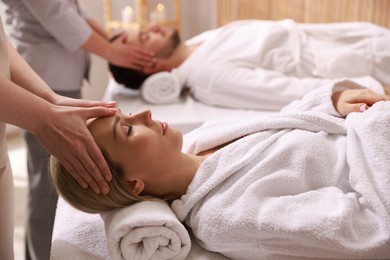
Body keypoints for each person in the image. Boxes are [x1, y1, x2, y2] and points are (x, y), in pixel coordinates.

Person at [51, 79, 390, 259]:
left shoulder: (204, 140)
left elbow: (287, 120)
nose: (145, 115)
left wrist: (335, 101)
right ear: (134, 184)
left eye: (127, 115)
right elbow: (368, 232)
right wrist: (373, 126)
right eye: (127, 130)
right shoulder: (228, 216)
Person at [0, 1, 155, 259]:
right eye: (127, 129)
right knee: (44, 193)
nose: (146, 115)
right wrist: (43, 114)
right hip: (42, 74)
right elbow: (55, 12)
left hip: (37, 86)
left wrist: (49, 99)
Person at [109, 20, 390, 110]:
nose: (154, 27)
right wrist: (368, 89)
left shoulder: (201, 43)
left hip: (352, 38)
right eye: (145, 37)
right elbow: (287, 91)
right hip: (360, 64)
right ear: (148, 65)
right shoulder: (209, 77)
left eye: (145, 28)